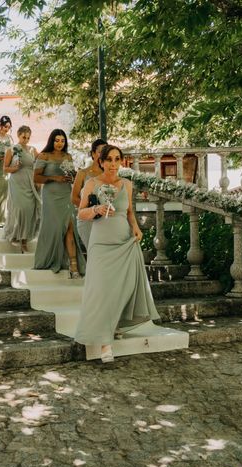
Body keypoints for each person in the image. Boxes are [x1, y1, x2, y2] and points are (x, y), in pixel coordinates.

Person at [74, 144, 159, 363]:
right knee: (102, 290)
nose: (113, 164)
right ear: (101, 162)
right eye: (109, 159)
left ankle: (116, 323)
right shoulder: (92, 183)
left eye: (117, 159)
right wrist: (96, 210)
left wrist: (137, 228)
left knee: (125, 285)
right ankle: (104, 343)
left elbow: (129, 212)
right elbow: (81, 213)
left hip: (123, 240)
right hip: (101, 242)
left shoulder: (127, 184)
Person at [33, 129, 86, 278]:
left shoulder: (67, 156)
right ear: (52, 141)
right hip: (50, 195)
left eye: (62, 141)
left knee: (70, 227)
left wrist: (73, 176)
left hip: (65, 194)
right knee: (55, 228)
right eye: (57, 140)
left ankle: (74, 266)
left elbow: (72, 174)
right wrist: (54, 178)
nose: (60, 143)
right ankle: (50, 258)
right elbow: (36, 178)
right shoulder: (44, 156)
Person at [3, 125, 40, 252]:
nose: (26, 140)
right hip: (17, 183)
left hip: (29, 183)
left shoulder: (33, 150)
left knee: (29, 211)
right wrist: (14, 168)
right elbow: (5, 168)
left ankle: (24, 240)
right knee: (19, 209)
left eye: (28, 137)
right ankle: (15, 235)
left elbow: (40, 164)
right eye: (24, 137)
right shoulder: (11, 149)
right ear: (18, 136)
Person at [71, 138, 107, 248]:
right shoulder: (82, 173)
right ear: (93, 153)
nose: (103, 155)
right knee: (92, 251)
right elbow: (74, 197)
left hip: (105, 220)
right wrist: (90, 210)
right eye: (101, 152)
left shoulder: (108, 174)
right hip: (87, 219)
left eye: (106, 152)